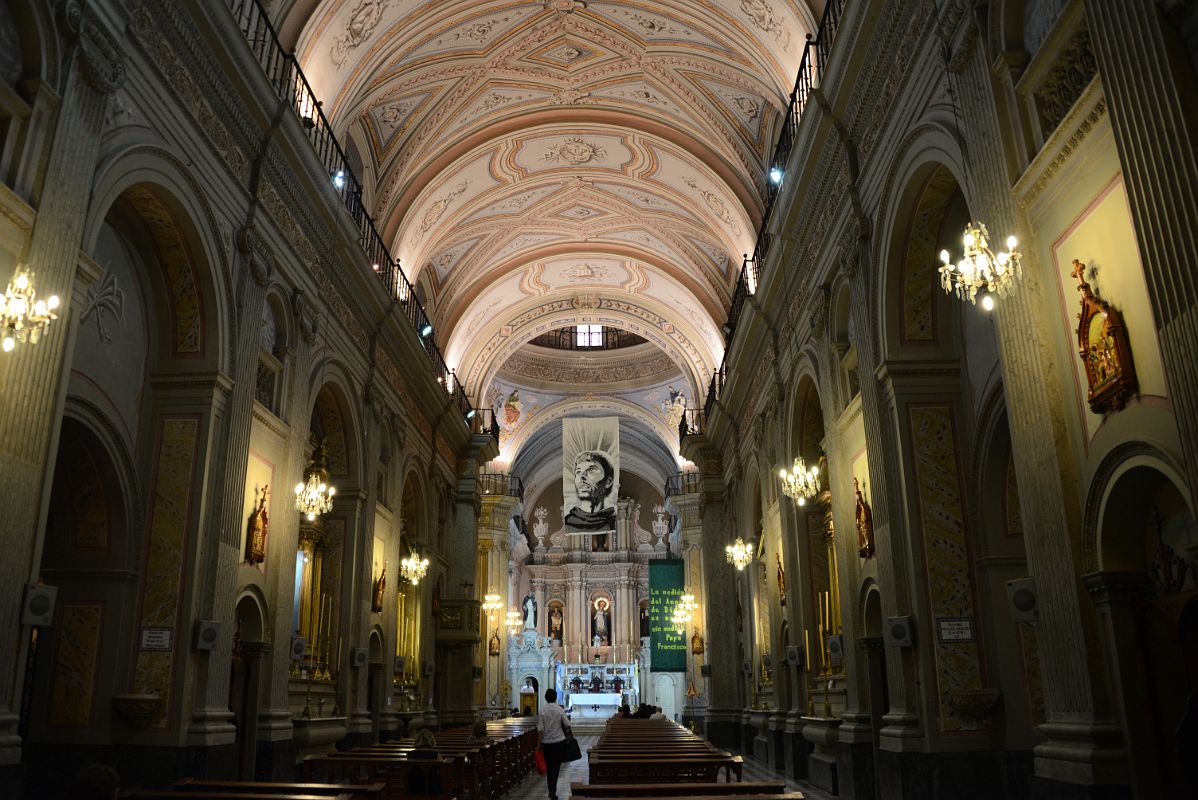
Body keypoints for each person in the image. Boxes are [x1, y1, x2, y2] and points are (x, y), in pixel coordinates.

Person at [564, 451, 617, 532]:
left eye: (591, 469)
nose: (582, 476)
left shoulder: (615, 522)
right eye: (578, 472)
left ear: (608, 481)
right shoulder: (568, 522)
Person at [537, 688, 571, 800]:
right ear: (555, 697)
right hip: (559, 741)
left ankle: (551, 789)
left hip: (546, 742)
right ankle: (553, 790)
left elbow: (540, 729)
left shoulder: (542, 710)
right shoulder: (560, 709)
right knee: (556, 767)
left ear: (546, 698)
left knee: (549, 766)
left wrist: (539, 743)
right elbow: (567, 724)